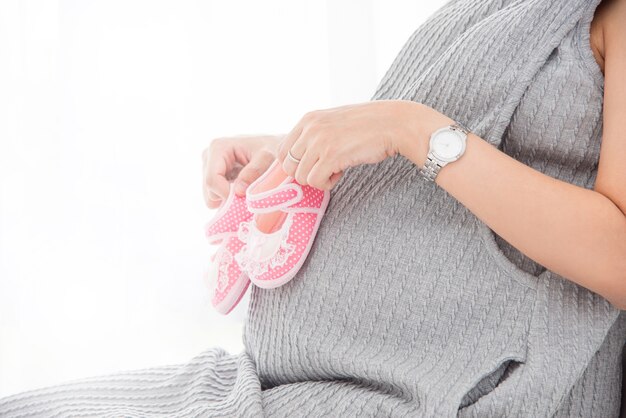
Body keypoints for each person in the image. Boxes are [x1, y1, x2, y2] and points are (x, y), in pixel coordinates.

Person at [2, 0, 625, 416]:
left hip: (421, 397)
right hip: (279, 382)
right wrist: (297, 152)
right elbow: (446, 180)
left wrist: (408, 127)